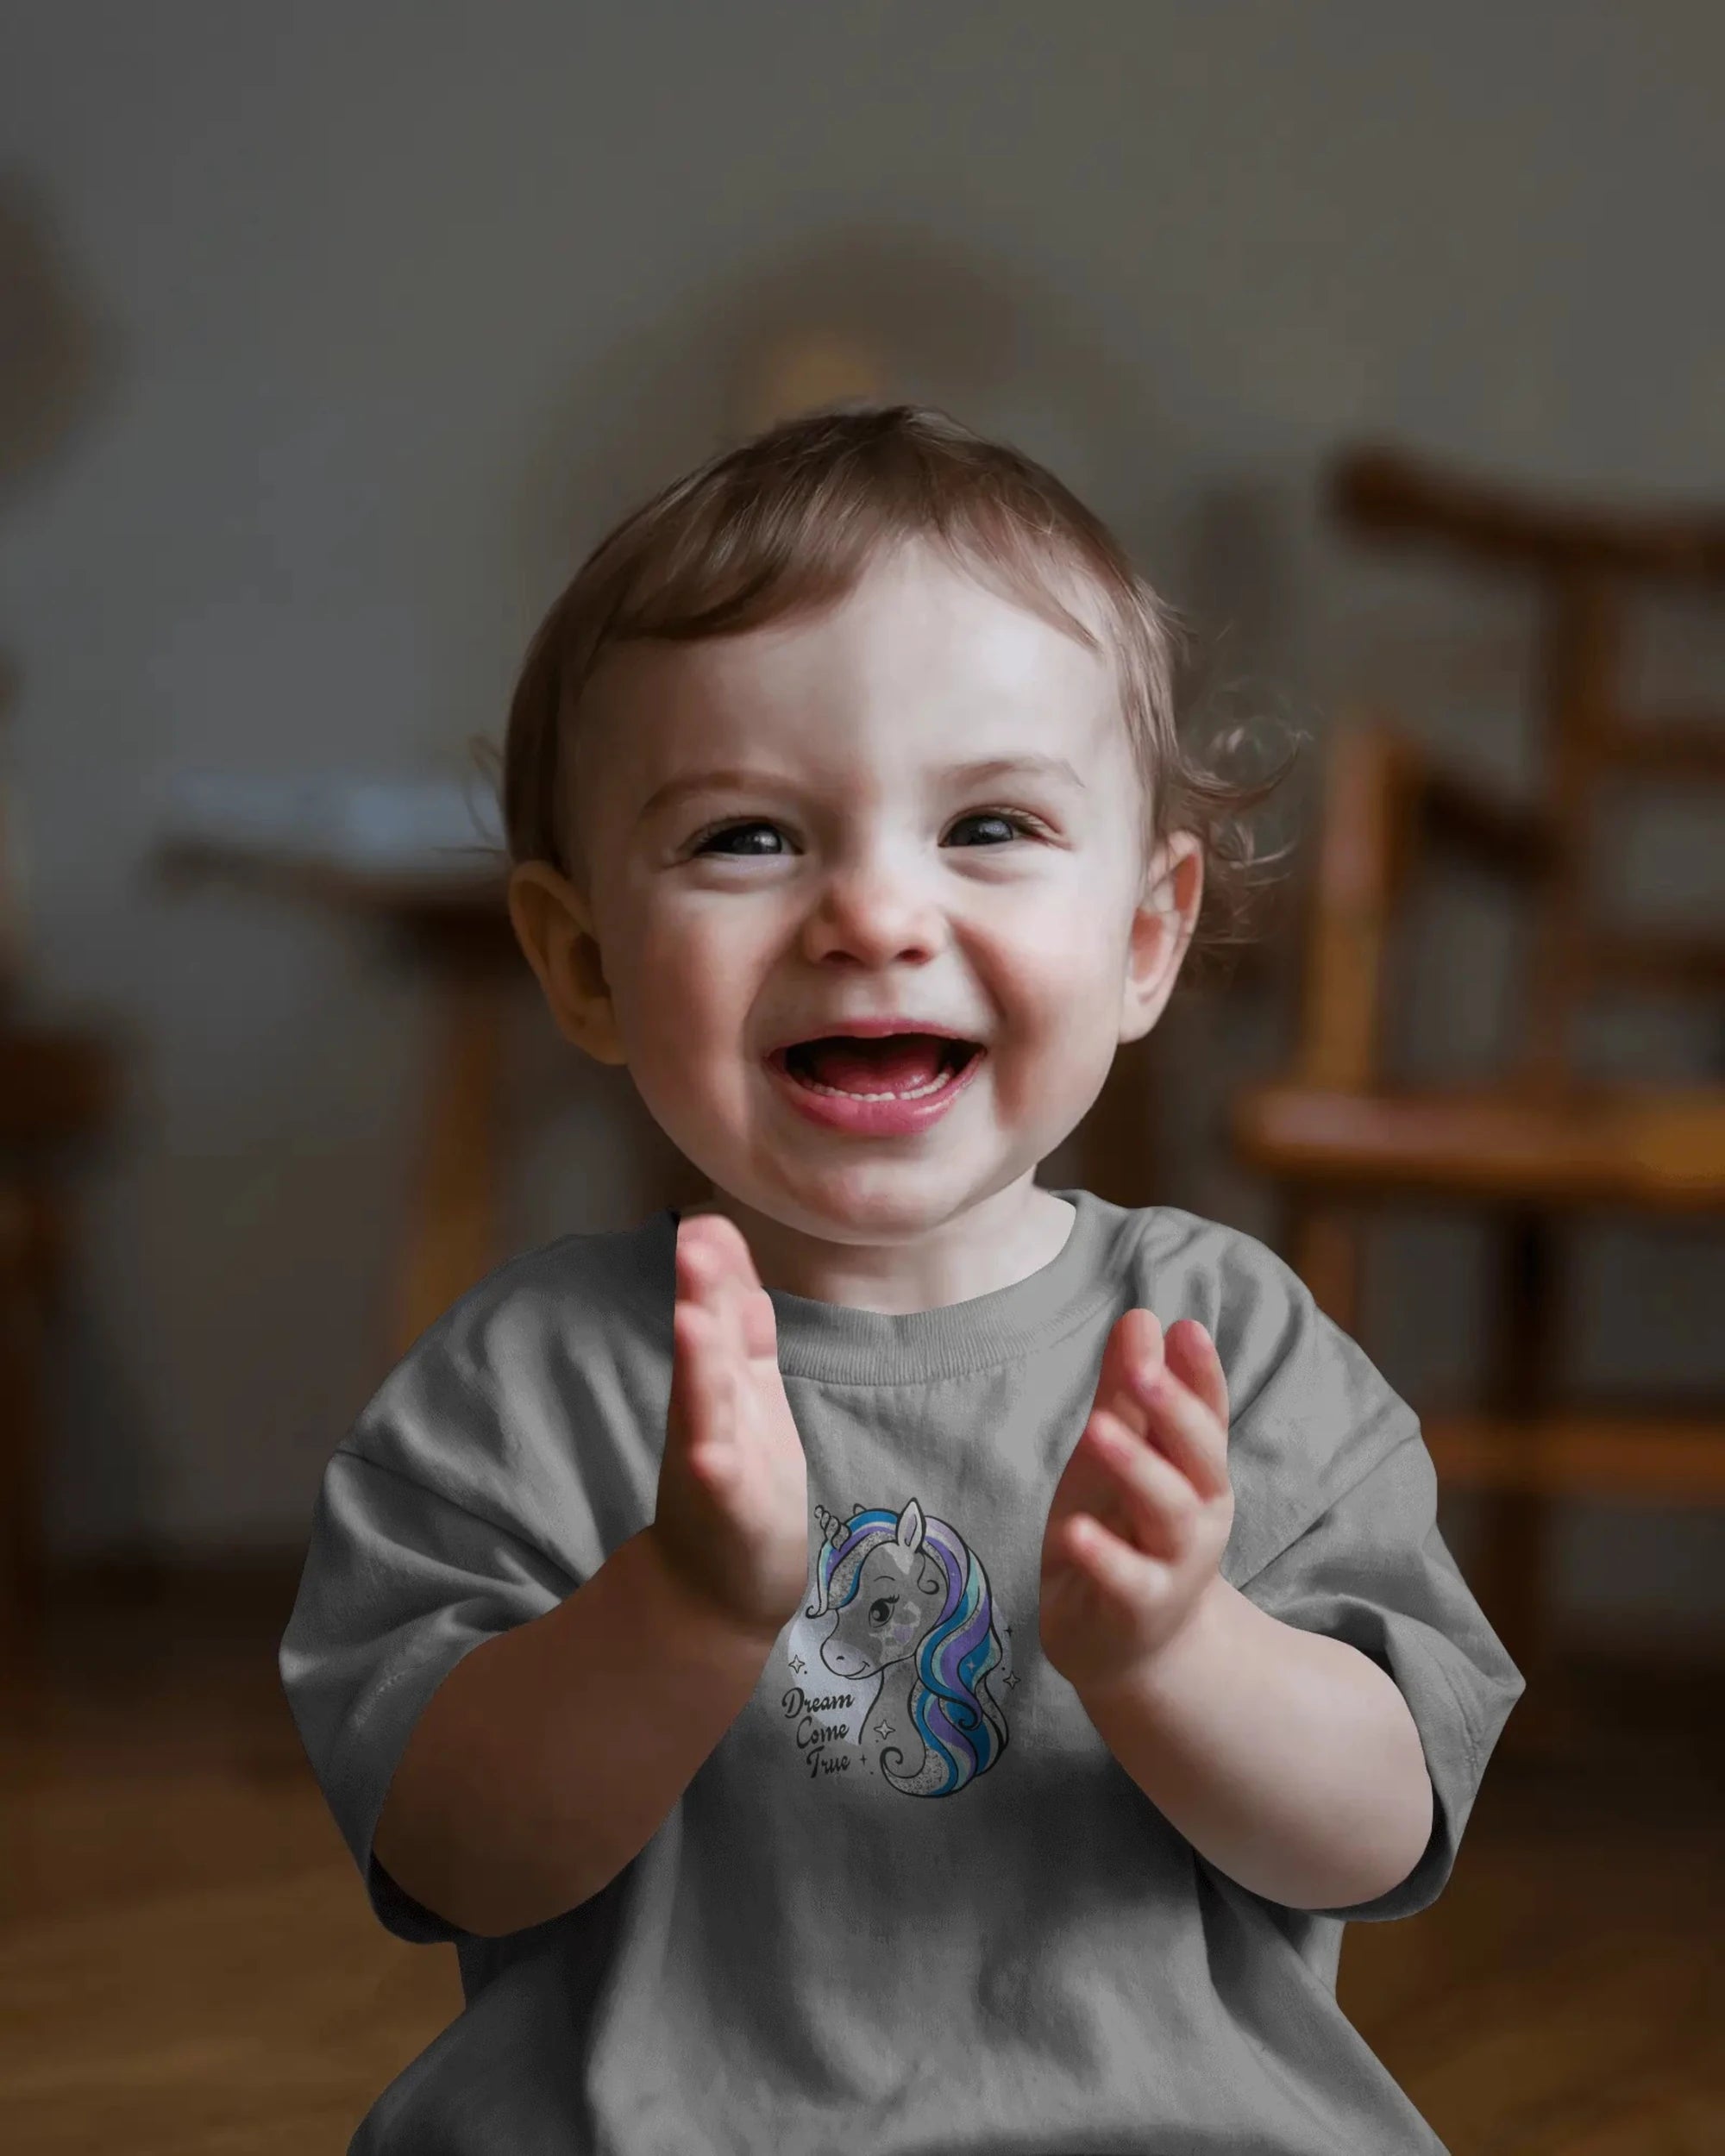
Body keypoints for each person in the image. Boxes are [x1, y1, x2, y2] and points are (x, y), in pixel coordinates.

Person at [280, 403, 1522, 2154]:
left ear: (1147, 935)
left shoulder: (1223, 1344)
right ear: (583, 961)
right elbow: (450, 1852)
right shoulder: (526, 1380)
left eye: (992, 823)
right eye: (747, 837)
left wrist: (1180, 1646)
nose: (871, 910)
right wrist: (687, 1603)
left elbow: (1378, 1834)